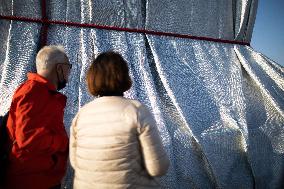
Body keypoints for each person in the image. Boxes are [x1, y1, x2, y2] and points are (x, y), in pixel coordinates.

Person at [70, 51, 170, 189]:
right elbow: (158, 168)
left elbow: (76, 162)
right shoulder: (137, 110)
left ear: (92, 78)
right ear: (124, 76)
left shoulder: (82, 114)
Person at [4, 45, 72, 189]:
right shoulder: (34, 91)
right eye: (68, 66)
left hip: (41, 177)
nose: (69, 72)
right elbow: (28, 137)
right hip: (32, 180)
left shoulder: (43, 92)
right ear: (59, 68)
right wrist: (64, 143)